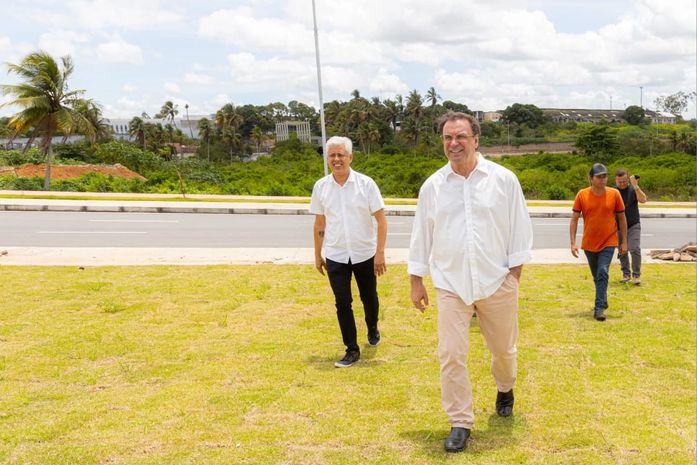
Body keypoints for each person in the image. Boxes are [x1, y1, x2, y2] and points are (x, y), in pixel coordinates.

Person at [408, 112, 533, 453]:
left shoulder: (503, 180)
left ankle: (505, 388)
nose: (454, 143)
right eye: (448, 138)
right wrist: (416, 280)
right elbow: (421, 235)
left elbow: (520, 230)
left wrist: (513, 275)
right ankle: (460, 421)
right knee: (451, 353)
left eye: (461, 136)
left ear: (476, 140)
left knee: (504, 350)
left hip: (497, 281)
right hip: (451, 283)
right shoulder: (432, 187)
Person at [310, 136, 387, 368]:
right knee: (342, 302)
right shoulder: (321, 187)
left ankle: (372, 326)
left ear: (350, 157)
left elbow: (381, 221)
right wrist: (317, 254)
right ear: (327, 158)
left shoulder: (366, 184)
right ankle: (351, 349)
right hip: (336, 255)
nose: (336, 159)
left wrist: (380, 253)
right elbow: (319, 224)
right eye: (332, 155)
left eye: (341, 155)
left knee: (369, 298)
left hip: (364, 254)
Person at [569, 163, 628, 321]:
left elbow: (622, 219)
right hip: (589, 243)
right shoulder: (582, 195)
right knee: (597, 276)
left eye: (605, 176)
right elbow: (574, 219)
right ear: (591, 178)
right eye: (599, 177)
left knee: (603, 271)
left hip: (609, 240)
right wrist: (573, 242)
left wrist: (624, 242)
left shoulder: (614, 194)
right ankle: (603, 299)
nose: (602, 179)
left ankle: (599, 308)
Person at [614, 169, 647, 285]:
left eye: (624, 181)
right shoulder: (613, 192)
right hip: (618, 227)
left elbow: (643, 200)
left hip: (633, 225)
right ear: (615, 180)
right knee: (622, 250)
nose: (622, 184)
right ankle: (626, 274)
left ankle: (636, 275)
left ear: (628, 179)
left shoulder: (633, 189)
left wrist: (635, 186)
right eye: (620, 182)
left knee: (634, 248)